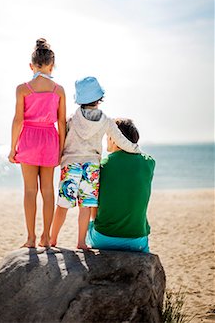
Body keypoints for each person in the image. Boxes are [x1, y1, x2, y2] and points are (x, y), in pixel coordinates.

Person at [50, 77, 141, 249]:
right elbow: (121, 140)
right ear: (99, 98)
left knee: (63, 204)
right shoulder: (106, 121)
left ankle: (52, 239)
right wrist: (136, 149)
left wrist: (57, 157)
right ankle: (81, 242)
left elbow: (61, 138)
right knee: (86, 206)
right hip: (91, 167)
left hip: (71, 164)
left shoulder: (71, 119)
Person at [8, 38, 66, 248]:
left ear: (31, 66)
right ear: (52, 65)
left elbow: (18, 120)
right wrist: (61, 150)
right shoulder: (58, 90)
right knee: (48, 191)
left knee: (30, 191)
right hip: (50, 139)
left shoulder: (22, 89)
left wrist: (13, 147)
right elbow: (61, 122)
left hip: (29, 140)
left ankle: (31, 238)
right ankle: (46, 238)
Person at [86, 118, 155, 253]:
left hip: (104, 238)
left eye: (108, 135)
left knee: (90, 223)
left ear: (114, 138)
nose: (106, 139)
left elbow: (93, 204)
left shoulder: (102, 165)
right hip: (137, 240)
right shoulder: (149, 163)